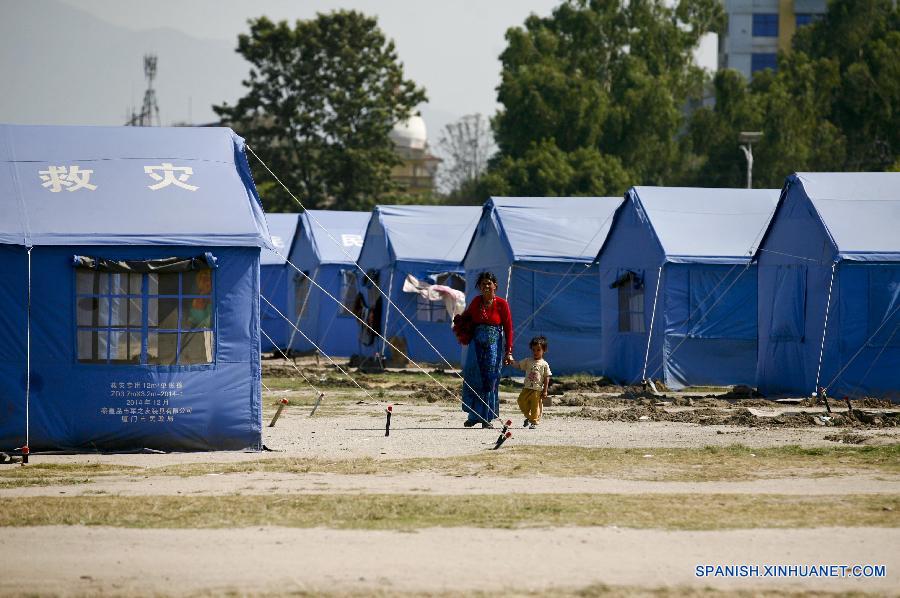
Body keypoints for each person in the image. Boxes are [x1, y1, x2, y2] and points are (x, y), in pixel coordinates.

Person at [459, 271, 513, 428]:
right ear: (479, 287)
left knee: (489, 380)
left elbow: (509, 329)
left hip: (493, 348)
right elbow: (467, 320)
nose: (486, 286)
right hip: (475, 347)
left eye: (489, 283)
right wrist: (460, 326)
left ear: (495, 285)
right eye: (483, 284)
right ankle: (473, 416)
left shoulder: (502, 304)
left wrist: (508, 351)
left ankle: (486, 417)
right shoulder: (476, 302)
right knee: (473, 377)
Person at [511, 336, 552, 428]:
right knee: (521, 401)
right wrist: (511, 361)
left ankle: (534, 421)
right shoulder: (528, 361)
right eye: (533, 350)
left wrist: (545, 391)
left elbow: (546, 378)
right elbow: (518, 365)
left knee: (535, 407)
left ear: (544, 350)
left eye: (538, 350)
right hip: (527, 388)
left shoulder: (544, 364)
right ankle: (529, 417)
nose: (535, 352)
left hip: (537, 390)